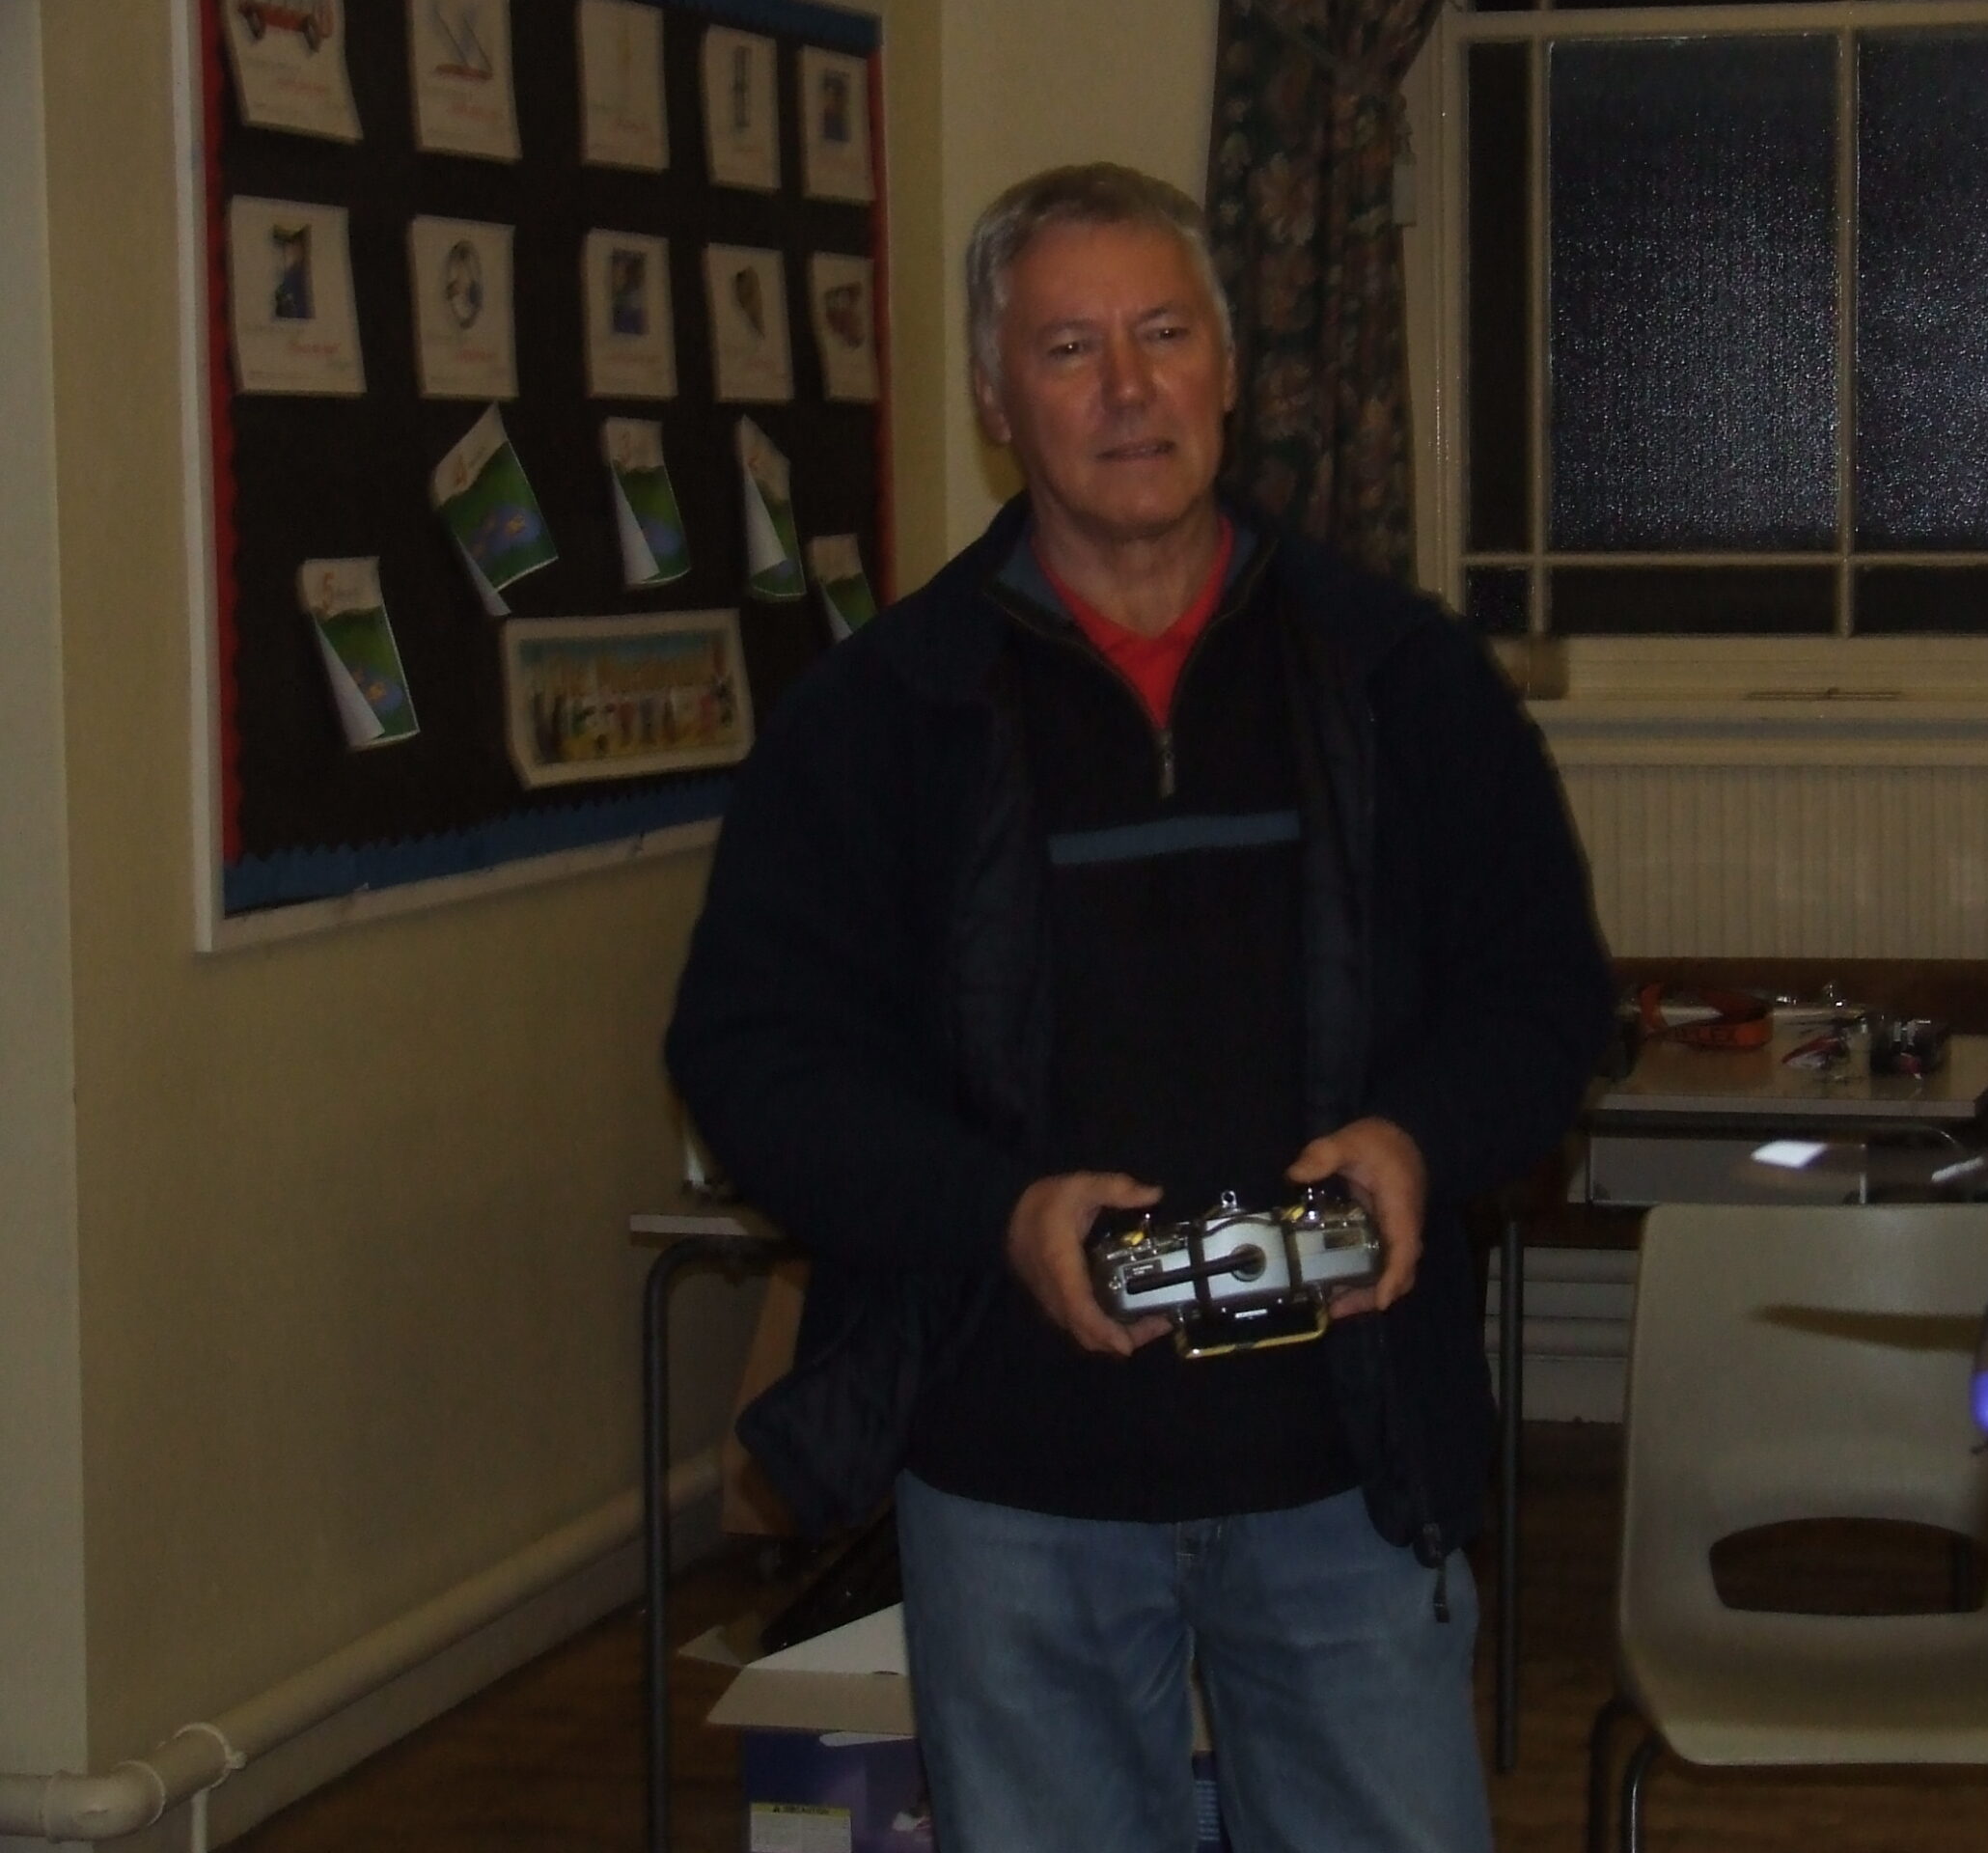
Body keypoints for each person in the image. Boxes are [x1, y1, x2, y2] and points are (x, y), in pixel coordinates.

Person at [666, 162, 1609, 1853]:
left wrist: (1415, 1144)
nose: (1126, 388)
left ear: (1228, 371)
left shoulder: (1402, 680)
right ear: (995, 399)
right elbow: (750, 1057)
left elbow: (1545, 998)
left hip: (1343, 1464)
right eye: (1069, 348)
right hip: (1016, 1475)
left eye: (1164, 334)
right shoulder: (882, 717)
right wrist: (998, 1213)